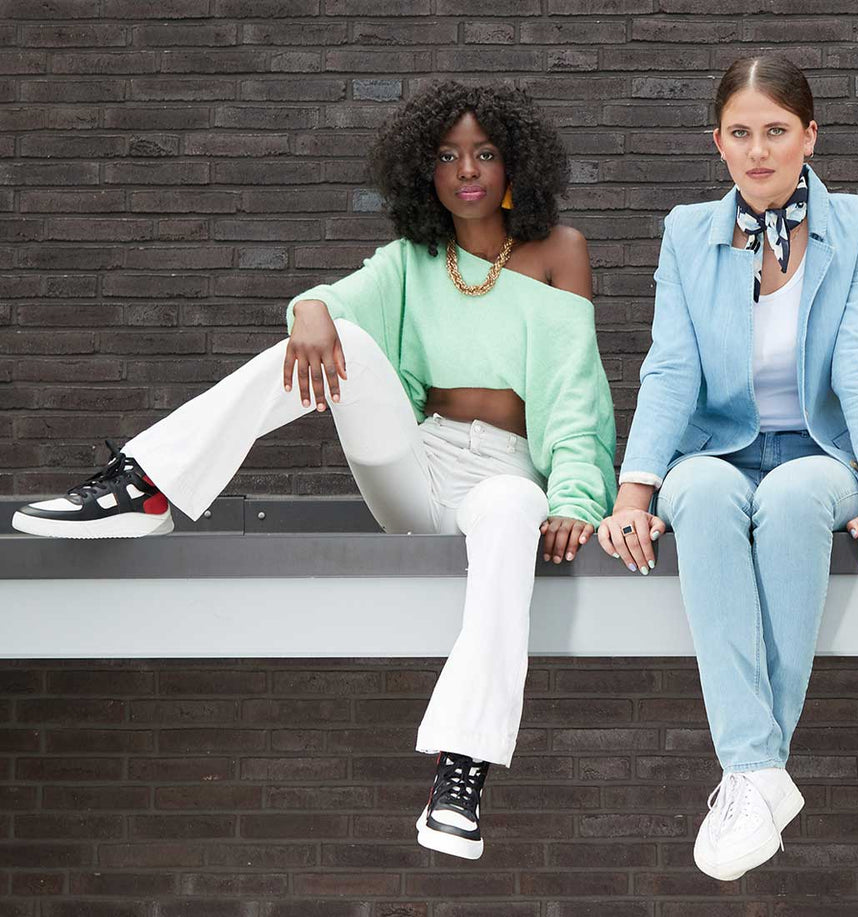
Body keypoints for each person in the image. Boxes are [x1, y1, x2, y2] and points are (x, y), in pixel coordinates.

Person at [11, 82, 619, 862]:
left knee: (509, 508)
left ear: (515, 165)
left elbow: (575, 389)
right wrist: (308, 308)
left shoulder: (559, 250)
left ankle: (461, 769)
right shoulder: (411, 260)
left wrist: (575, 497)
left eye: (486, 153)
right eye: (447, 155)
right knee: (345, 340)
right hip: (418, 462)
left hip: (508, 474)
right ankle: (147, 480)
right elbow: (331, 303)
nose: (467, 170)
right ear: (424, 170)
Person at [596, 56, 858, 882]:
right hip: (719, 447)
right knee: (700, 492)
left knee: (794, 493)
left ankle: (750, 771)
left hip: (819, 453)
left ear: (810, 136)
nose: (759, 149)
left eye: (776, 131)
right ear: (718, 142)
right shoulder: (686, 231)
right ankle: (758, 769)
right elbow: (671, 366)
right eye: (740, 133)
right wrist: (633, 492)